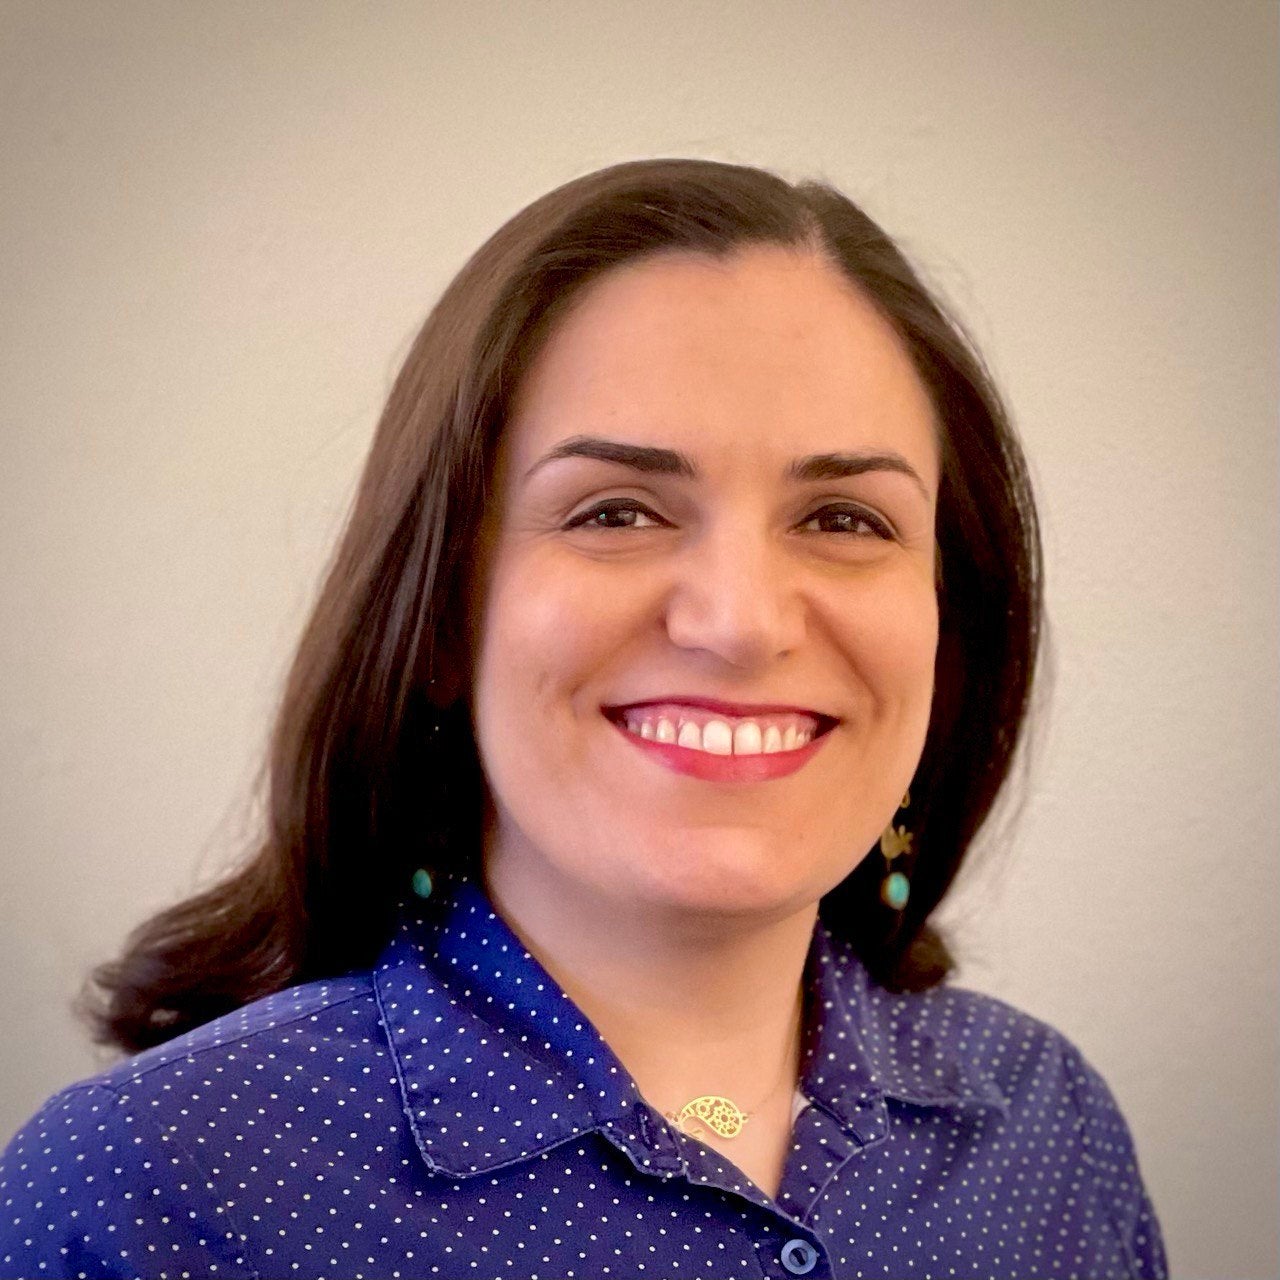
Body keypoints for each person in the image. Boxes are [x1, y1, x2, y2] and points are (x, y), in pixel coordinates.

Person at [0, 158, 1166, 1279]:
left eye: (845, 519)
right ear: (444, 615)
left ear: (945, 622)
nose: (742, 621)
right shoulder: (146, 1193)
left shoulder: (1047, 1126)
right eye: (615, 510)